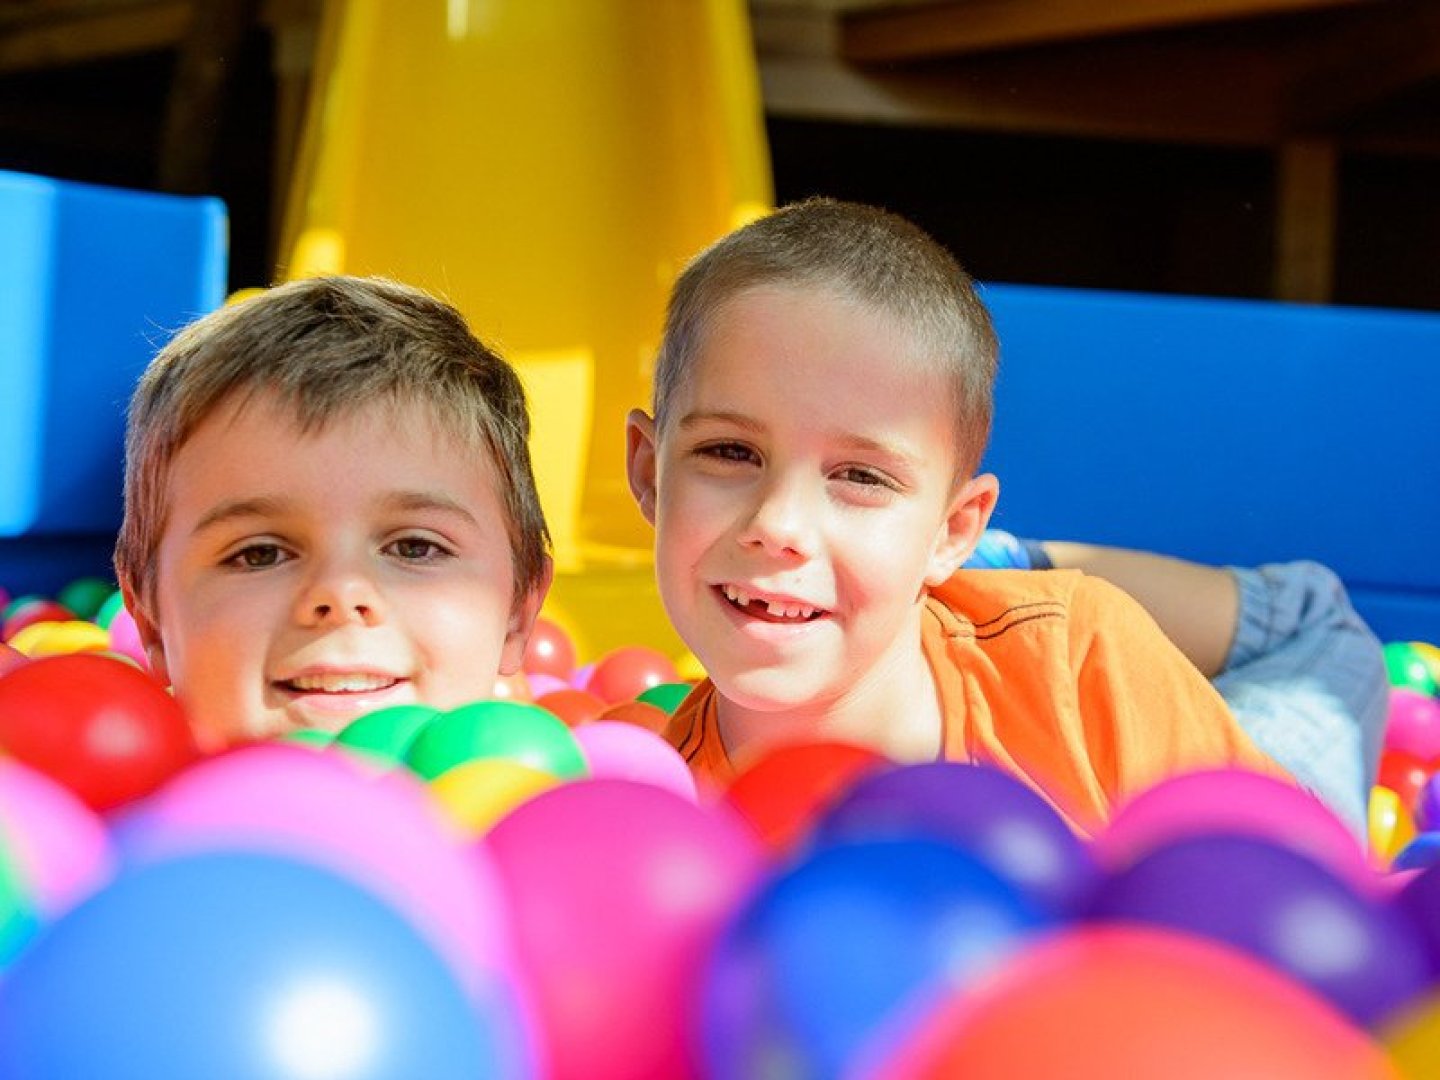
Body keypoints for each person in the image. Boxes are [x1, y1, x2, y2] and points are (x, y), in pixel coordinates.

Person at [625, 197, 1383, 837]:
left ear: (957, 528)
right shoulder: (660, 819)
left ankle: (1000, 562)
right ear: (649, 474)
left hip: (1242, 744)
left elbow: (1280, 908)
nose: (779, 522)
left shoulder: (1077, 661)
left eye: (860, 476)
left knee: (1319, 632)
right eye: (729, 452)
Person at [113, 275, 553, 748]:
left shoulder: (569, 810)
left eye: (415, 547)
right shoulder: (96, 812)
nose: (340, 594)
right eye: (260, 553)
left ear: (518, 612)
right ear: (150, 620)